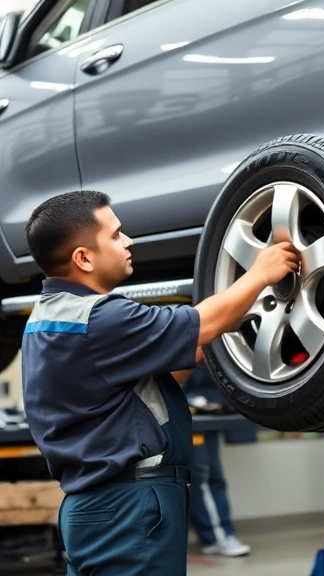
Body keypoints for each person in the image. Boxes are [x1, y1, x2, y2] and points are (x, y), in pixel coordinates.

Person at [19, 190, 299, 575]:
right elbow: (201, 323)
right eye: (116, 235)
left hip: (94, 506)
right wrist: (260, 274)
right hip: (129, 506)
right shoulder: (100, 318)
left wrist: (225, 318)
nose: (128, 241)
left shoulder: (48, 318)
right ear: (83, 258)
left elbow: (157, 371)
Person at [182, 364, 251, 557]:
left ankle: (215, 535)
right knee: (202, 482)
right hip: (192, 419)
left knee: (213, 480)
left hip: (206, 418)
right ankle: (216, 537)